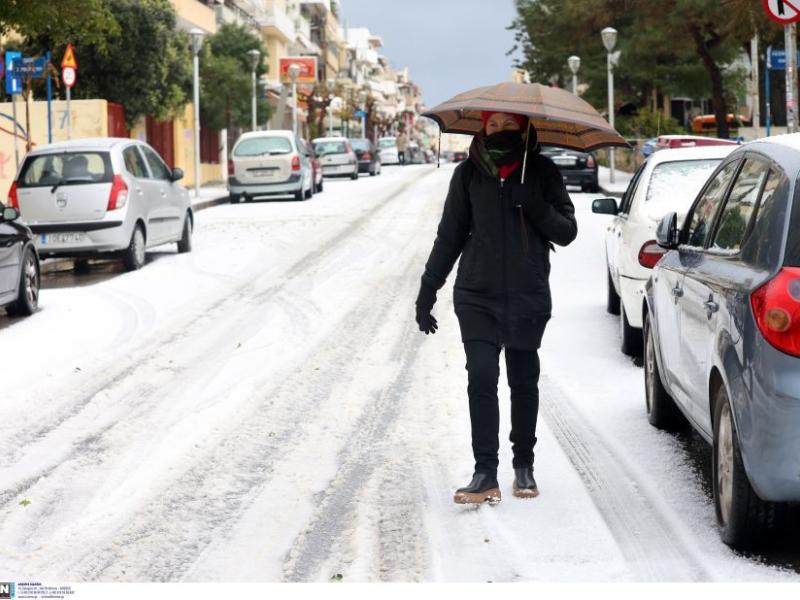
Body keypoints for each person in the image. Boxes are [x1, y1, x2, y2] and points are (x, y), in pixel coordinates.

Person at [415, 111, 577, 505]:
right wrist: (428, 288)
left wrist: (535, 206)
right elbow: (449, 234)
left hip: (527, 293)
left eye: (508, 125)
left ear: (524, 129)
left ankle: (524, 465)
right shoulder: (468, 174)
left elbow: (568, 232)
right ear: (482, 129)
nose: (500, 131)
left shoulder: (542, 172)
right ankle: (485, 471)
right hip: (477, 294)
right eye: (492, 125)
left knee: (523, 380)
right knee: (481, 377)